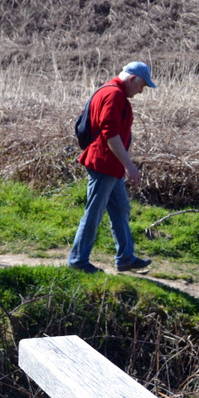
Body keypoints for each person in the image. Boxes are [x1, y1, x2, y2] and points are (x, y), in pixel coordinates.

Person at [68, 61, 156, 274]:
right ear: (133, 78)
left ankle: (125, 257)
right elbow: (111, 134)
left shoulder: (112, 92)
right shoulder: (114, 95)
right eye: (142, 85)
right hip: (104, 164)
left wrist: (123, 165)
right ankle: (78, 261)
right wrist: (130, 166)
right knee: (94, 213)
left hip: (111, 165)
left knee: (121, 209)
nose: (141, 91)